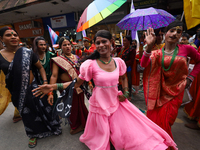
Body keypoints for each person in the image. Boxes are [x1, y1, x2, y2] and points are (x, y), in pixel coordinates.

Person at [33, 30, 178, 150]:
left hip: (117, 101)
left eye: (104, 41)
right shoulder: (90, 65)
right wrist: (52, 87)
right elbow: (76, 83)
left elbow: (124, 78)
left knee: (130, 137)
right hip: (99, 104)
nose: (101, 45)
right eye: (98, 43)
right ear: (95, 46)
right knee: (102, 138)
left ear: (111, 43)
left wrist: (126, 92)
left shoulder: (118, 62)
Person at [0, 26, 61, 148]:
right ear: (1, 38)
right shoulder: (0, 56)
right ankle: (33, 134)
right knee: (27, 115)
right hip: (17, 92)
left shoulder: (27, 52)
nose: (13, 37)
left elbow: (40, 67)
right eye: (8, 35)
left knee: (44, 109)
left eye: (15, 35)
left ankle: (51, 127)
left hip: (35, 88)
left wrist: (44, 82)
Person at [140, 21, 200, 139]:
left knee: (165, 123)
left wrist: (190, 78)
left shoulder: (187, 49)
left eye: (178, 32)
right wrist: (149, 46)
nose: (174, 34)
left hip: (176, 93)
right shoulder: (156, 51)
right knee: (155, 125)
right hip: (157, 93)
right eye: (172, 31)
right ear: (165, 33)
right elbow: (143, 64)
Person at [48, 37, 88, 135]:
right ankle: (74, 127)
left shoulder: (76, 57)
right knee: (72, 107)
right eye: (64, 45)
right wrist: (50, 91)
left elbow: (82, 71)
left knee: (81, 105)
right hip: (67, 88)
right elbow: (54, 75)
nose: (67, 47)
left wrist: (89, 83)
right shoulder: (57, 60)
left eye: (69, 44)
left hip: (78, 85)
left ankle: (83, 122)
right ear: (60, 47)